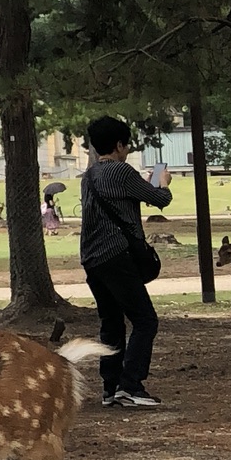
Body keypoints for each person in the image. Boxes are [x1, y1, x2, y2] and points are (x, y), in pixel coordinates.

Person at [80, 114, 170, 410]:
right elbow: (159, 199)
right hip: (117, 255)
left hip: (92, 259)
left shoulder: (89, 176)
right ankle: (131, 384)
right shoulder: (121, 171)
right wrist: (163, 182)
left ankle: (111, 387)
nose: (128, 149)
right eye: (126, 144)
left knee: (111, 322)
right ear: (118, 145)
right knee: (145, 320)